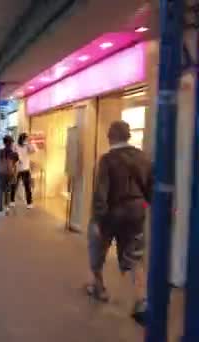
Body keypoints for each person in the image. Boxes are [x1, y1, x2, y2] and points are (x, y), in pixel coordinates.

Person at [86, 120, 152, 325]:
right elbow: (150, 186)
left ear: (110, 136)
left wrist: (97, 220)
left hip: (112, 213)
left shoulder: (107, 160)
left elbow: (101, 193)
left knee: (97, 248)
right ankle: (141, 300)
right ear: (128, 136)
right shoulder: (143, 157)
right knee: (135, 255)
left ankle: (99, 287)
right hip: (136, 212)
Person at [11, 133, 36, 209]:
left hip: (26, 169)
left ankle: (29, 203)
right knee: (14, 185)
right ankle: (12, 201)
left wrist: (30, 143)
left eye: (26, 139)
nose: (25, 140)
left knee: (27, 187)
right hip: (17, 169)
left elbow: (34, 150)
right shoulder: (15, 145)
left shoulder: (27, 146)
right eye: (25, 139)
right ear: (21, 139)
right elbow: (13, 154)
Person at [0, 135, 19, 215]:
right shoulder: (13, 153)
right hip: (9, 174)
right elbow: (15, 162)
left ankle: (0, 207)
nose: (12, 143)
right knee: (8, 191)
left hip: (0, 173)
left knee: (1, 190)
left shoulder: (0, 151)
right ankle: (7, 208)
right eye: (11, 142)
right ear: (10, 143)